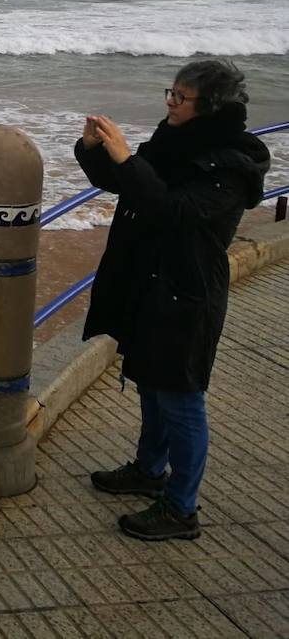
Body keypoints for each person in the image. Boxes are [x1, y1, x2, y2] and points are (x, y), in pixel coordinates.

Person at [77, 59, 269, 541]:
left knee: (181, 398)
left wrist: (126, 160)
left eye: (180, 98)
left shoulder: (232, 164)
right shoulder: (174, 140)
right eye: (171, 93)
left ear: (210, 106)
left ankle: (182, 508)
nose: (170, 103)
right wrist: (94, 151)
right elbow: (127, 182)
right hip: (151, 281)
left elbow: (172, 209)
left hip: (188, 291)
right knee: (148, 381)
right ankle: (148, 469)